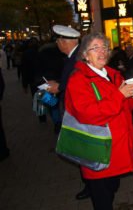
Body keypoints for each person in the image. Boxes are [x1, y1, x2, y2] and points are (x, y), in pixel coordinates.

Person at [64, 32, 133, 210]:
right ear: (85, 54)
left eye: (105, 48)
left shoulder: (114, 75)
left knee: (112, 188)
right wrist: (119, 95)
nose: (102, 52)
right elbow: (88, 114)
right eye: (95, 48)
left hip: (118, 149)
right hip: (98, 151)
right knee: (102, 200)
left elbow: (128, 107)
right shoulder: (78, 80)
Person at [45, 25, 91, 200]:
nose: (57, 44)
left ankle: (90, 184)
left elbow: (78, 82)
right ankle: (89, 182)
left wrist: (60, 87)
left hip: (79, 113)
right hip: (76, 111)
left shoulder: (77, 58)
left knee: (83, 150)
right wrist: (59, 84)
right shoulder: (73, 56)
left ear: (64, 42)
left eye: (58, 40)